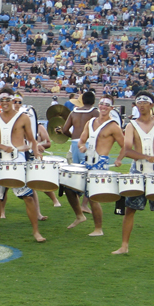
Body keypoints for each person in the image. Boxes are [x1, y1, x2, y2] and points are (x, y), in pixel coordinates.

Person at [112, 91, 154, 258]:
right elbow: (127, 149)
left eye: (145, 102)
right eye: (139, 102)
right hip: (137, 170)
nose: (141, 105)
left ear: (152, 105)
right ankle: (124, 246)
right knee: (130, 210)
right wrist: (145, 157)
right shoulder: (131, 126)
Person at [0, 87, 44, 243]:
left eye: (7, 99)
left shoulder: (23, 117)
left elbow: (31, 140)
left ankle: (36, 232)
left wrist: (36, 152)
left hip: (18, 161)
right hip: (0, 160)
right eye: (2, 100)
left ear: (12, 100)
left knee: (28, 197)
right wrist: (3, 147)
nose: (5, 103)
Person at [75, 96, 125, 237]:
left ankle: (98, 228)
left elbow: (125, 146)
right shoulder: (90, 122)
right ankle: (80, 216)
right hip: (87, 161)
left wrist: (119, 159)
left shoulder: (114, 126)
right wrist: (82, 146)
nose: (103, 107)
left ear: (111, 108)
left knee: (93, 197)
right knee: (74, 189)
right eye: (101, 104)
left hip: (100, 162)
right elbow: (81, 140)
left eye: (106, 105)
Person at [58, 90, 98, 220]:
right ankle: (84, 204)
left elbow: (64, 130)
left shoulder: (74, 112)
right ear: (93, 101)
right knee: (89, 173)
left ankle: (76, 203)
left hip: (75, 144)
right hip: (87, 145)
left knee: (76, 173)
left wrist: (74, 137)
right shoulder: (94, 112)